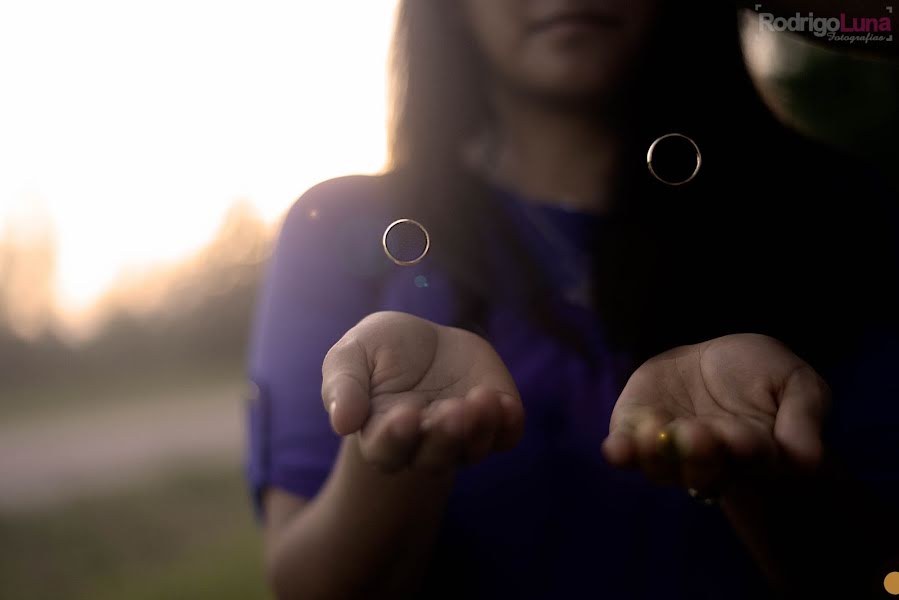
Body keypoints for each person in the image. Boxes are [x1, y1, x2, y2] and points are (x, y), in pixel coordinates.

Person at [245, 1, 899, 598]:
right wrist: (398, 451)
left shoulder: (845, 214)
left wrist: (763, 482)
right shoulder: (335, 226)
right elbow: (306, 586)